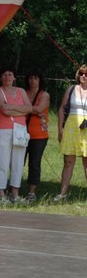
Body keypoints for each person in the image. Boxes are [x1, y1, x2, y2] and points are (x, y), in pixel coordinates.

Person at [0, 67, 33, 204]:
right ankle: (1, 194)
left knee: (18, 162)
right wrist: (21, 110)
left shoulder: (21, 91)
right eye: (4, 74)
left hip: (20, 129)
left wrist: (12, 108)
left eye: (10, 74)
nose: (7, 77)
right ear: (1, 78)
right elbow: (4, 110)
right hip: (4, 129)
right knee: (2, 161)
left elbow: (29, 108)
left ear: (14, 77)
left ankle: (15, 193)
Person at [56, 64, 87, 202]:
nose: (83, 76)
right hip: (71, 127)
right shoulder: (71, 89)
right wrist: (60, 129)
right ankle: (62, 194)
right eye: (81, 73)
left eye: (86, 74)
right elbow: (62, 109)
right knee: (68, 162)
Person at [24, 68, 50, 202]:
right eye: (30, 78)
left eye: (35, 78)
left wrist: (23, 108)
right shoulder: (22, 92)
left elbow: (40, 109)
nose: (32, 81)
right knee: (17, 162)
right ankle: (13, 189)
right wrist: (34, 110)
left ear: (40, 80)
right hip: (21, 133)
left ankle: (31, 192)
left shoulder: (44, 94)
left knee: (34, 163)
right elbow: (36, 110)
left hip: (39, 135)